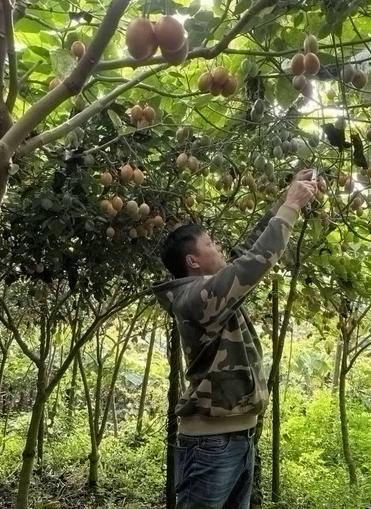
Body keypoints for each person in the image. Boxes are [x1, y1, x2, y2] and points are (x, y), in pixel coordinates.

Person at [153, 170, 318, 509]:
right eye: (211, 243)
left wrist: (284, 200)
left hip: (236, 438)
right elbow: (252, 265)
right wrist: (291, 207)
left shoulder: (212, 292)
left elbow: (247, 252)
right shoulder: (196, 299)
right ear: (193, 261)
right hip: (211, 443)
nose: (220, 247)